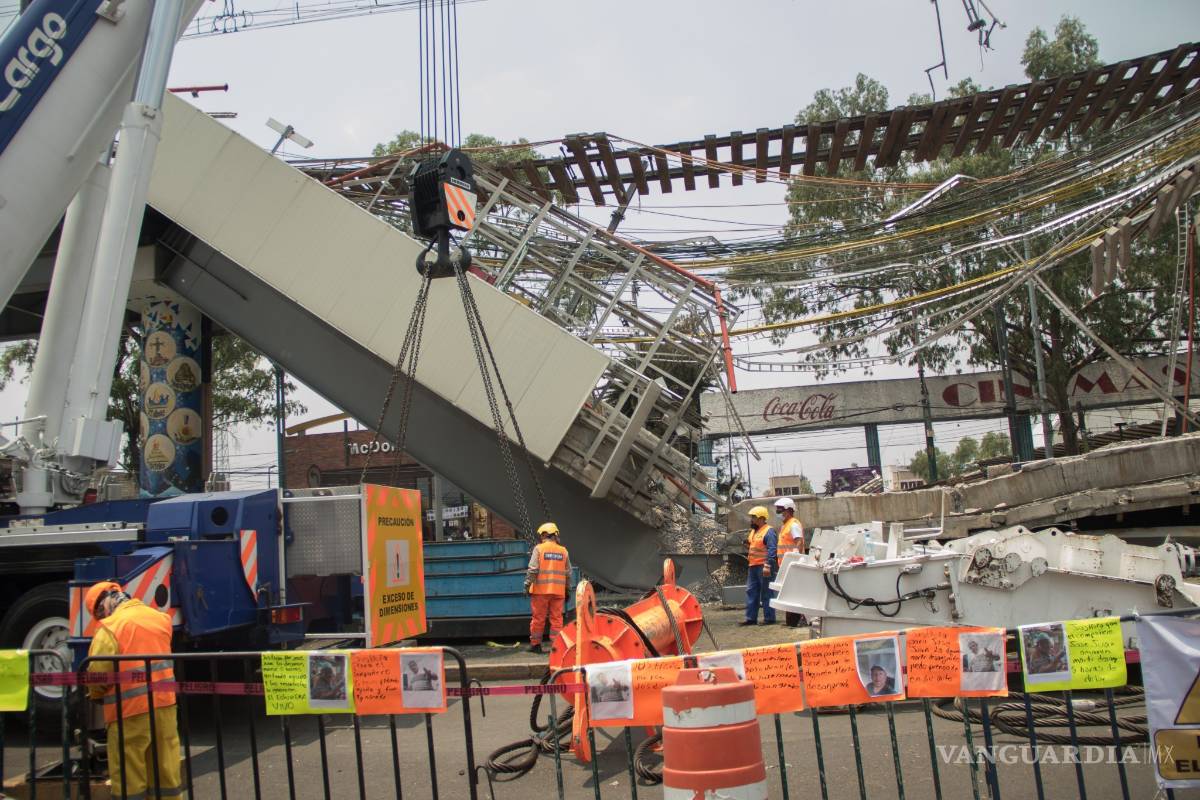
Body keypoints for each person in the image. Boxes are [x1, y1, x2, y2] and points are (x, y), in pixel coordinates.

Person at [84, 580, 184, 799]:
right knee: (165, 773)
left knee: (130, 778)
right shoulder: (160, 619)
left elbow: (98, 674)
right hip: (165, 707)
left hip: (128, 712)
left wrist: (96, 695)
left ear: (102, 606)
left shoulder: (110, 628)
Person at [525, 522, 572, 653]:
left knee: (538, 619)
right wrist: (567, 589)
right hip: (558, 592)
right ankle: (556, 648)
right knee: (557, 619)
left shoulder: (539, 549)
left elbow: (533, 569)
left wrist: (527, 585)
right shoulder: (563, 551)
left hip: (541, 591)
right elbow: (568, 573)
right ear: (555, 535)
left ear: (544, 535)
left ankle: (536, 645)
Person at [739, 506, 778, 626]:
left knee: (766, 592)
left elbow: (772, 549)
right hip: (753, 566)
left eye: (753, 517)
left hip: (763, 566)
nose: (751, 520)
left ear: (761, 518)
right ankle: (751, 618)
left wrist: (767, 565)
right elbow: (754, 546)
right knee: (752, 592)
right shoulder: (754, 531)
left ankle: (769, 618)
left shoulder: (769, 531)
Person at [774, 497, 808, 628]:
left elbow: (798, 541)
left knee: (797, 592)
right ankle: (794, 620)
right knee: (791, 593)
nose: (778, 513)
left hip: (793, 565)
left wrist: (794, 555)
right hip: (786, 565)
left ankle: (803, 618)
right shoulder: (785, 525)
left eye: (779, 510)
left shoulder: (793, 524)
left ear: (788, 510)